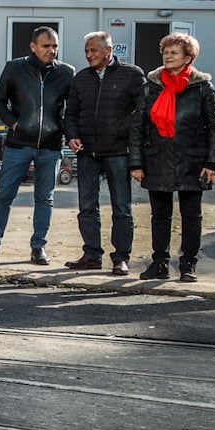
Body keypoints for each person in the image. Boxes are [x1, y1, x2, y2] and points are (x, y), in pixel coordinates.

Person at [0, 27, 74, 267]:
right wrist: (13, 123)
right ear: (33, 46)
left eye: (55, 46)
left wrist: (65, 131)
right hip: (18, 145)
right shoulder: (15, 68)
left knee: (45, 198)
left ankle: (38, 247)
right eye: (46, 46)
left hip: (50, 146)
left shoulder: (66, 73)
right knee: (4, 195)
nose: (51, 51)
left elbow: (72, 109)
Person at [128, 32, 215, 284]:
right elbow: (138, 126)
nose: (168, 56)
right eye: (165, 52)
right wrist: (135, 162)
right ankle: (159, 264)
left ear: (188, 57)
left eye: (174, 52)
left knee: (192, 215)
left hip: (192, 160)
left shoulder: (202, 87)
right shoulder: (151, 87)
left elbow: (214, 127)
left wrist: (212, 163)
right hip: (157, 158)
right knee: (159, 215)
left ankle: (188, 264)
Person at [63, 31, 145, 274]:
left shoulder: (132, 75)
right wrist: (72, 135)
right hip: (87, 153)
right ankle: (91, 255)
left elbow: (143, 110)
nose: (89, 55)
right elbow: (71, 113)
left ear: (109, 51)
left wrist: (120, 129)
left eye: (94, 50)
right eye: (87, 51)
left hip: (118, 152)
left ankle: (120, 258)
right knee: (87, 207)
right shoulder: (81, 78)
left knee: (122, 207)